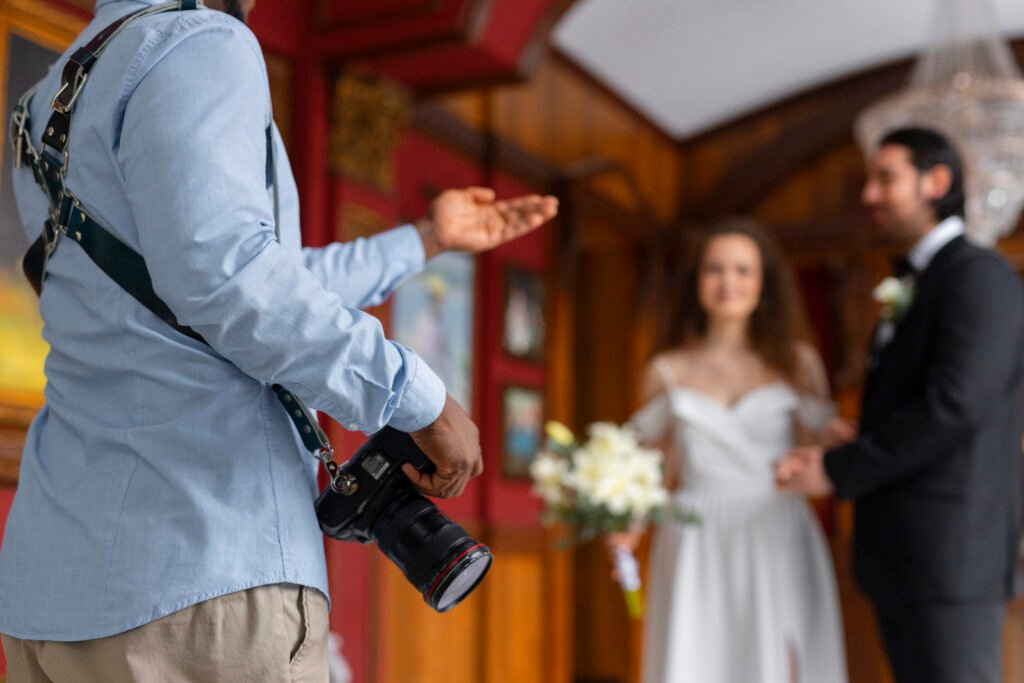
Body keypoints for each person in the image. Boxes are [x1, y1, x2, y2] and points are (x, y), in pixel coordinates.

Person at [0, 0, 557, 680]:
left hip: (47, 588)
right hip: (200, 577)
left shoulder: (41, 104)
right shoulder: (202, 41)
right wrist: (420, 399)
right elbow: (231, 279)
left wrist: (427, 238)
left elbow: (221, 277)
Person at [777, 127, 1024, 683]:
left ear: (937, 181)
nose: (869, 195)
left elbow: (958, 405)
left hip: (952, 562)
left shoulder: (978, 277)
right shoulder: (921, 281)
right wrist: (863, 434)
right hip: (908, 560)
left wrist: (838, 469)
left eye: (885, 178)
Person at [623, 218, 848, 683]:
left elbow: (817, 455)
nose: (729, 282)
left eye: (743, 270)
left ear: (764, 283)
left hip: (777, 531)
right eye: (716, 269)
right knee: (697, 661)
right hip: (694, 540)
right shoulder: (665, 370)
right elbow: (647, 471)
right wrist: (623, 526)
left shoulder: (797, 363)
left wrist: (832, 452)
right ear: (697, 282)